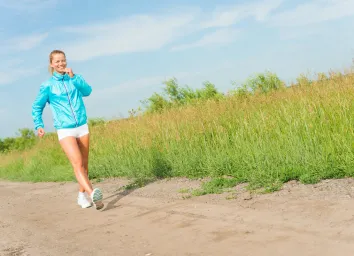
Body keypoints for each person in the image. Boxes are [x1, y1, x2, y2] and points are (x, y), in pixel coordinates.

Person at [31, 49, 104, 210]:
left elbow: (88, 91)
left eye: (63, 60)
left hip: (82, 126)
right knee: (77, 163)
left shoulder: (75, 78)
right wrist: (39, 125)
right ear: (51, 64)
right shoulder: (48, 85)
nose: (61, 63)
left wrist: (74, 77)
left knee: (85, 165)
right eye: (57, 61)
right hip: (65, 129)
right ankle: (93, 194)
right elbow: (37, 106)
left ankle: (81, 195)